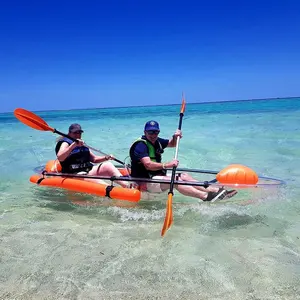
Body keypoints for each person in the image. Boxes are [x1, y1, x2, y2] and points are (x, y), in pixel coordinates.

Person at [129, 120, 237, 202]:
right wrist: (167, 165)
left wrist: (175, 137)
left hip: (156, 177)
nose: (153, 135)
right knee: (176, 181)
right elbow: (148, 165)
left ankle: (215, 191)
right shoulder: (140, 145)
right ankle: (206, 197)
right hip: (145, 181)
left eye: (156, 132)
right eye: (150, 132)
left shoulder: (156, 141)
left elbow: (172, 144)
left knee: (184, 176)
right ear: (145, 132)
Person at [55, 123, 129, 188]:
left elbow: (94, 159)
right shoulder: (65, 143)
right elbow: (60, 158)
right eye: (75, 133)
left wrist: (106, 158)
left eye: (79, 133)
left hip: (87, 171)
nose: (78, 135)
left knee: (108, 165)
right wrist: (73, 145)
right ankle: (114, 190)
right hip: (74, 174)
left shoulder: (82, 144)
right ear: (69, 133)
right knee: (102, 184)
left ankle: (127, 185)